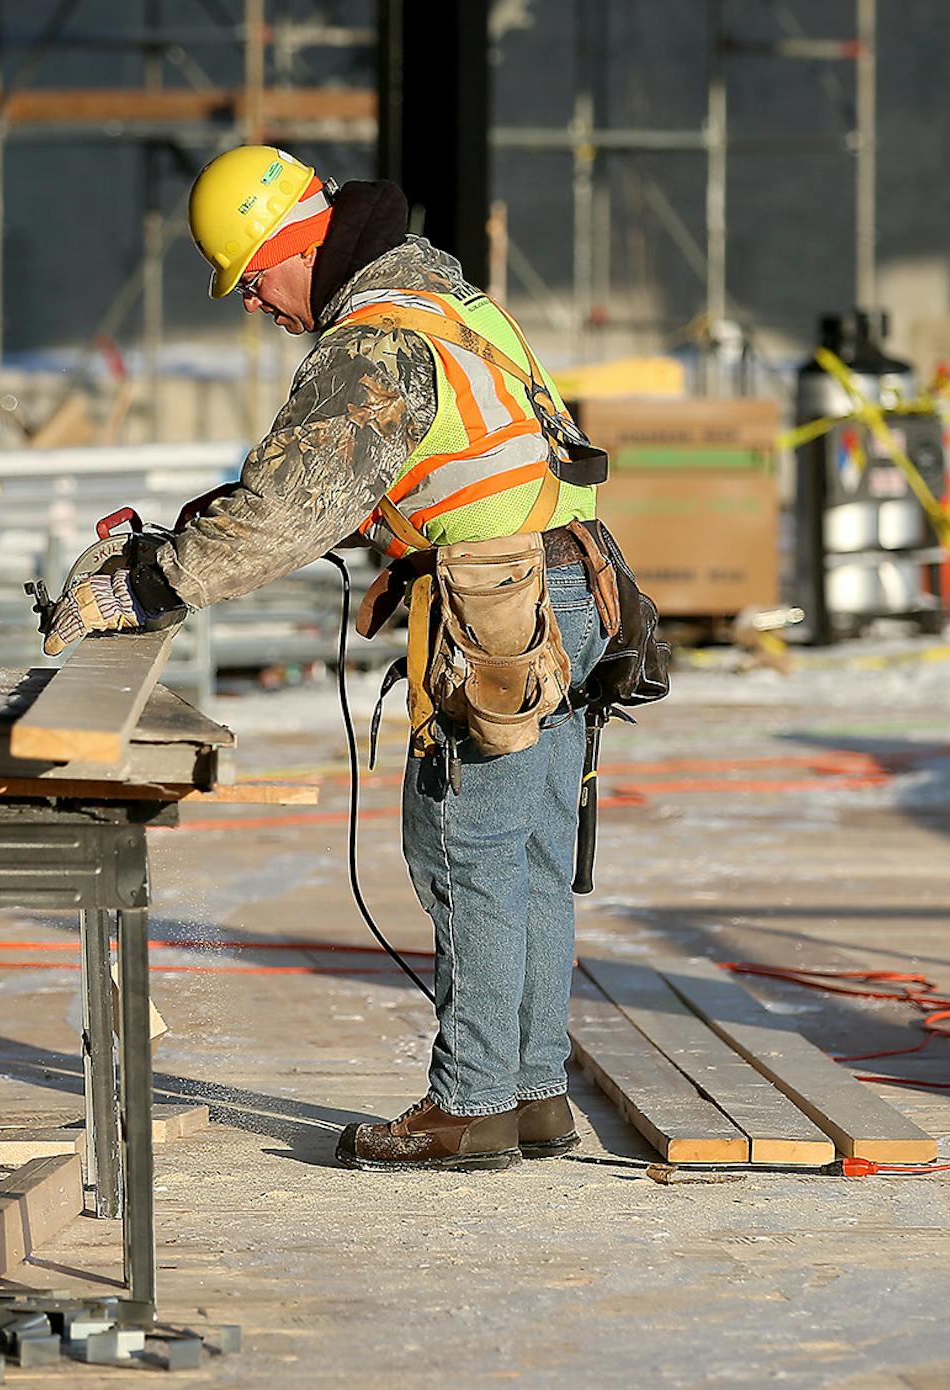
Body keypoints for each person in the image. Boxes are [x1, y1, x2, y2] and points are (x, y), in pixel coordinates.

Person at [44, 145, 612, 1172]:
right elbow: (326, 482)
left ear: (294, 241)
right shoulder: (443, 297)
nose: (256, 307)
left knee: (466, 847)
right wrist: (192, 531)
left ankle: (474, 1103)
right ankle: (530, 1091)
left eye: (254, 280)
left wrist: (144, 582)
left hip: (502, 600)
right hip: (569, 585)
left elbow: (287, 510)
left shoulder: (374, 343)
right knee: (526, 849)